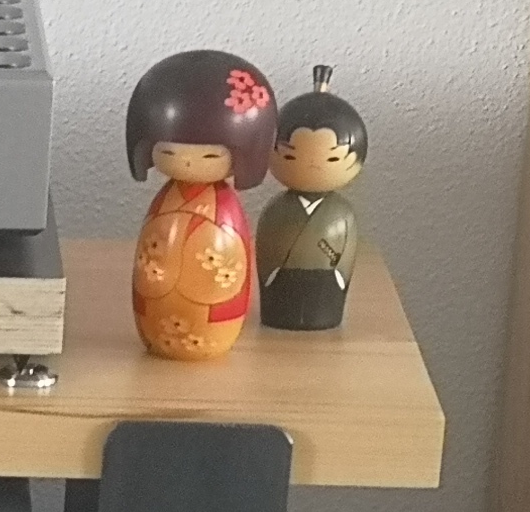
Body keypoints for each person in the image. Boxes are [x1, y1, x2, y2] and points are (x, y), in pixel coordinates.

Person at [124, 50, 277, 362]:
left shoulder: (225, 207)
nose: (188, 162)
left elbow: (231, 261)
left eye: (210, 155)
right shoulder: (166, 199)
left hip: (209, 304)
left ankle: (211, 334)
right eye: (169, 152)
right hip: (158, 300)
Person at [258, 68, 367, 332]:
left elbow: (345, 252)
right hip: (283, 278)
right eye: (290, 156)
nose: (312, 165)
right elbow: (266, 251)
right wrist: (268, 276)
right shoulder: (276, 210)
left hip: (326, 281)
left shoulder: (341, 213)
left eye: (332, 158)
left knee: (323, 311)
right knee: (281, 310)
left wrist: (340, 277)